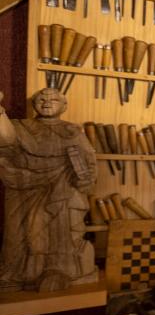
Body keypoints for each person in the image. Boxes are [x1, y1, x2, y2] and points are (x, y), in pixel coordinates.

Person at [0, 88, 96, 291]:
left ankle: (58, 271)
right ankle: (20, 273)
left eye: (54, 99)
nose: (47, 102)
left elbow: (89, 161)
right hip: (24, 189)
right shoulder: (21, 126)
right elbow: (6, 141)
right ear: (33, 105)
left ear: (64, 106)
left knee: (62, 232)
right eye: (41, 98)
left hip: (63, 190)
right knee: (18, 233)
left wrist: (87, 179)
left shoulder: (73, 131)